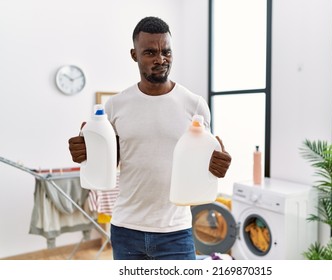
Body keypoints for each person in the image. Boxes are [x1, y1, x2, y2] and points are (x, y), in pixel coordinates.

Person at [68, 16, 231, 260]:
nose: (160, 59)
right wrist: (87, 154)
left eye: (166, 51)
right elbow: (109, 163)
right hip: (126, 228)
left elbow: (201, 162)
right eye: (150, 52)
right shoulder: (115, 106)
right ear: (134, 55)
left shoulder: (194, 104)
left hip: (176, 230)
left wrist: (216, 166)